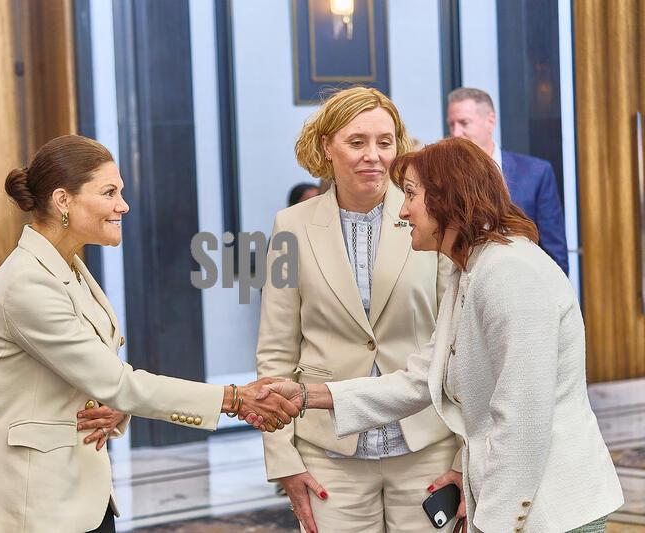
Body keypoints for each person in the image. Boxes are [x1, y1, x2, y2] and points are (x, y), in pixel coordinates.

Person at [260, 137, 623, 532]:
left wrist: (494, 525)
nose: (403, 210)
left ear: (448, 199)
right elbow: (421, 378)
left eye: (411, 194)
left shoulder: (510, 273)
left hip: (553, 511)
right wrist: (307, 395)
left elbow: (523, 422)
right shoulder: (469, 270)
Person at [0, 134, 298, 533]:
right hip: (35, 505)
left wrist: (117, 404)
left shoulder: (66, 266)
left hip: (79, 494)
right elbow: (115, 381)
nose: (123, 205)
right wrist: (233, 398)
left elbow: (95, 377)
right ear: (63, 201)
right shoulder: (28, 282)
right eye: (109, 192)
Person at [256, 86, 457, 533]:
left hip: (428, 446)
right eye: (356, 142)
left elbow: (460, 343)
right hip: (329, 456)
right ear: (327, 146)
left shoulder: (432, 218)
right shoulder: (289, 227)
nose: (373, 156)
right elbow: (275, 351)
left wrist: (465, 455)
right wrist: (282, 458)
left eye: (385, 142)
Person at [446, 87, 569, 274]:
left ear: (490, 121)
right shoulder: (446, 178)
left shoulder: (535, 173)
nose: (456, 133)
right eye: (451, 124)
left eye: (464, 123)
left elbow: (555, 253)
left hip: (525, 284)